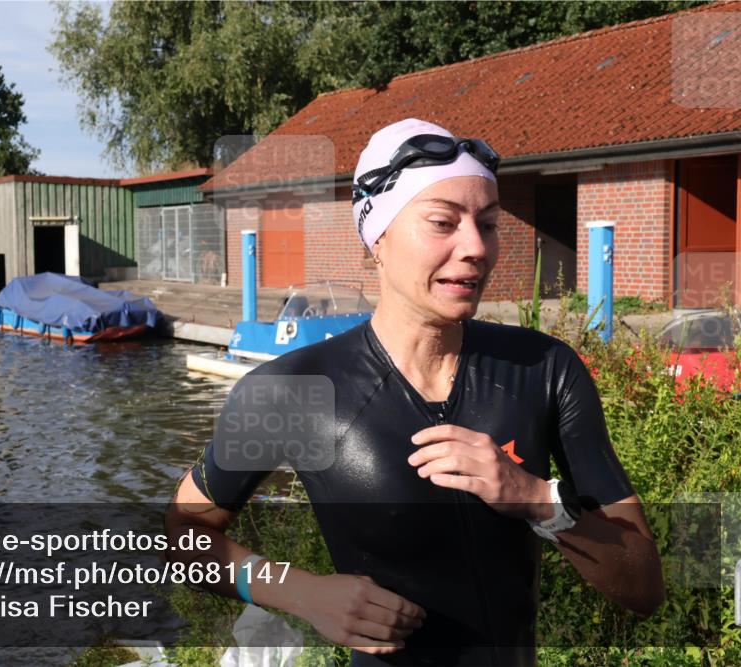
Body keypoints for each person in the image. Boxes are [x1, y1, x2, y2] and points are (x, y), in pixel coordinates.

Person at [166, 119, 664, 666]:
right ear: (376, 238)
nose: (476, 248)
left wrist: (536, 499)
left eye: (488, 224)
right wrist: (301, 592)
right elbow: (182, 536)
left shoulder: (545, 369)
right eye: (443, 223)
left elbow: (643, 586)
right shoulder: (292, 391)